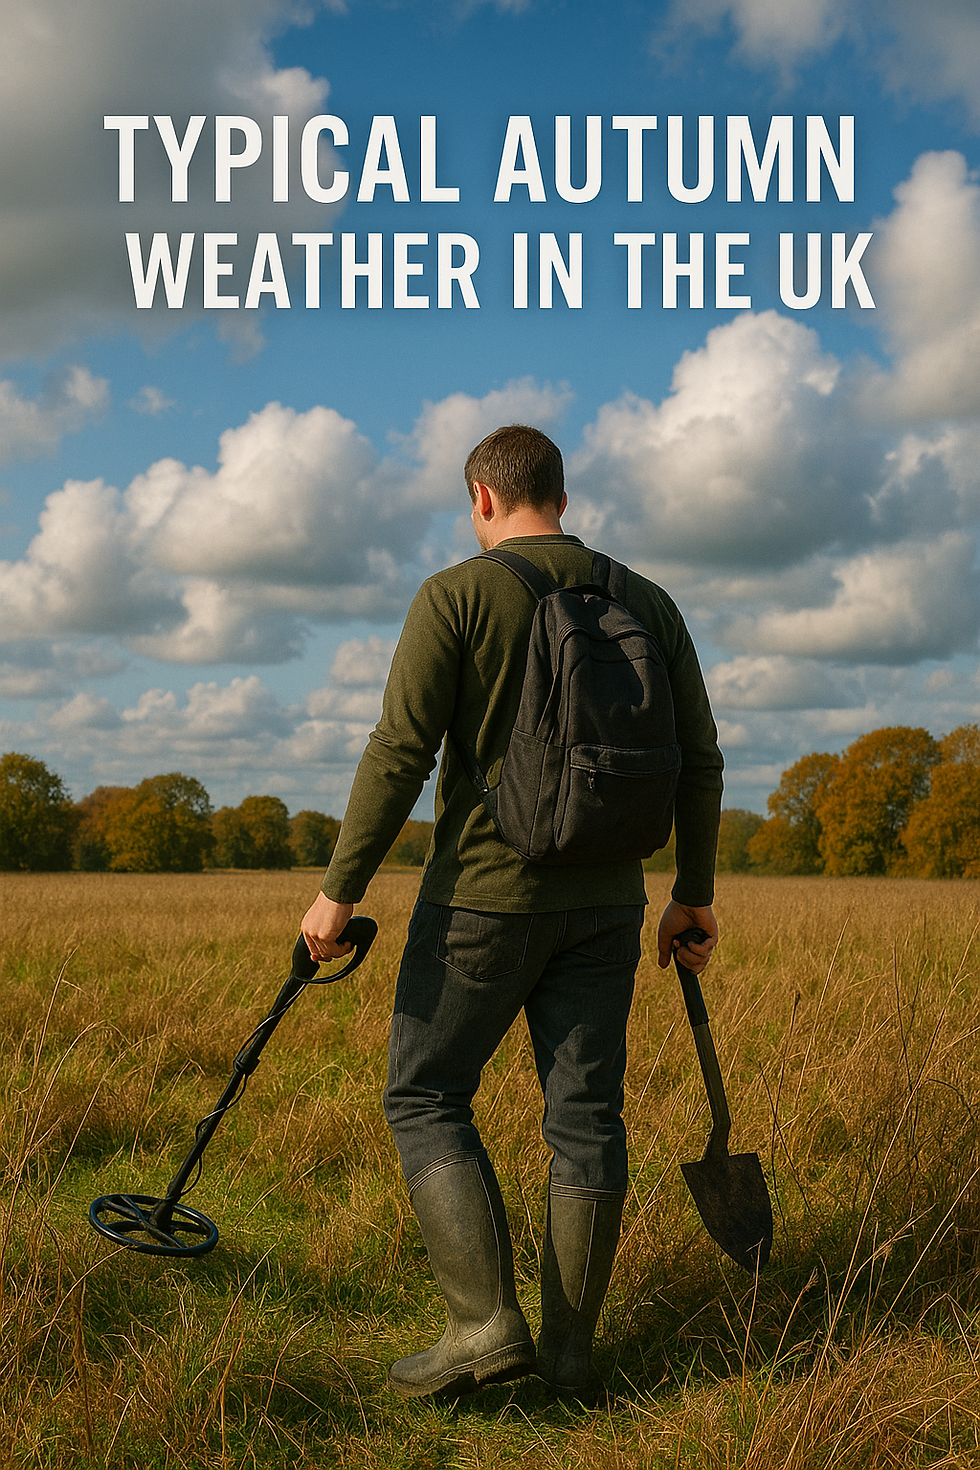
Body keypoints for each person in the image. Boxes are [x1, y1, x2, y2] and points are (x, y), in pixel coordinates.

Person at [302, 425, 723, 1398]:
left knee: (424, 1094)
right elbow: (698, 758)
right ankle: (572, 1366)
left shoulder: (455, 595)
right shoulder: (647, 602)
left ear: (481, 500)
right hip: (611, 911)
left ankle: (484, 1327)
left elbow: (399, 751)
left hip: (478, 908)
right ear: (561, 499)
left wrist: (339, 891)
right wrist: (689, 895)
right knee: (585, 1122)